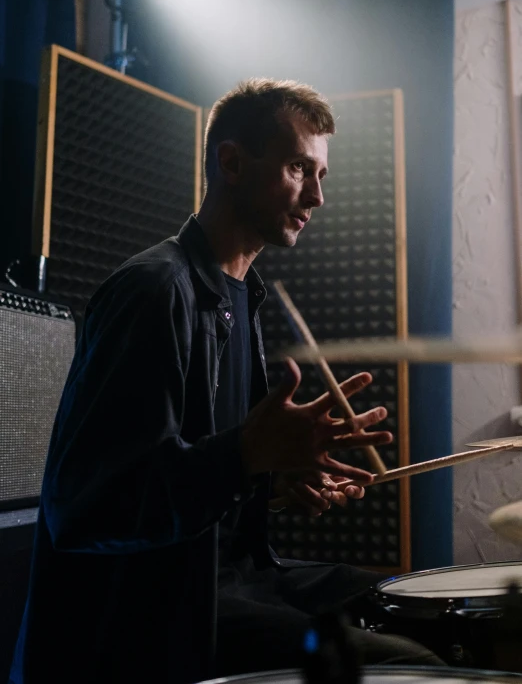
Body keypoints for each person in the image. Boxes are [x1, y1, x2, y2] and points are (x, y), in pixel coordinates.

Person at [10, 79, 442, 684]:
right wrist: (246, 456)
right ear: (232, 163)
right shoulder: (155, 292)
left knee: (428, 608)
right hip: (154, 612)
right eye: (299, 168)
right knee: (410, 667)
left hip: (238, 579)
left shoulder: (241, 295)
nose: (317, 196)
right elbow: (85, 509)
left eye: (322, 175)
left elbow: (199, 476)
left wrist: (277, 479)